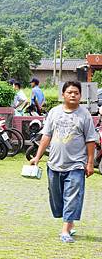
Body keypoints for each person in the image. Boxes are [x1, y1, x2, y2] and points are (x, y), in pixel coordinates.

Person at [30, 81, 97, 243]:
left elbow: (90, 140)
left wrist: (89, 163)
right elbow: (46, 136)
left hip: (76, 165)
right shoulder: (54, 112)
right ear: (63, 95)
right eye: (70, 92)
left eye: (76, 92)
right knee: (56, 197)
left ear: (80, 95)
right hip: (54, 163)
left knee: (72, 196)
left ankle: (65, 230)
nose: (73, 95)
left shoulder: (84, 115)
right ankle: (70, 221)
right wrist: (37, 157)